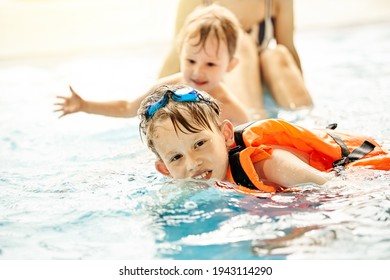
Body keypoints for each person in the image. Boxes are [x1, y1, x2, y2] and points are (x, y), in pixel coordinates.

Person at [137, 84, 390, 193]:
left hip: (368, 172)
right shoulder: (190, 180)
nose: (192, 163)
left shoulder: (269, 163)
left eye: (200, 143)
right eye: (177, 157)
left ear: (225, 135)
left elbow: (337, 188)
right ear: (164, 169)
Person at [54, 4, 248, 126]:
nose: (198, 71)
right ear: (180, 53)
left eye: (211, 64)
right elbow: (128, 108)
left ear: (230, 65)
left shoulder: (232, 110)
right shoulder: (164, 89)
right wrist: (86, 105)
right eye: (190, 61)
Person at [159, 0, 313, 119]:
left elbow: (288, 46)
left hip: (266, 74)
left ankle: (308, 119)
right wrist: (159, 98)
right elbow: (180, 51)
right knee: (241, 44)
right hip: (223, 74)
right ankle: (254, 122)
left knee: (278, 54)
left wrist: (301, 84)